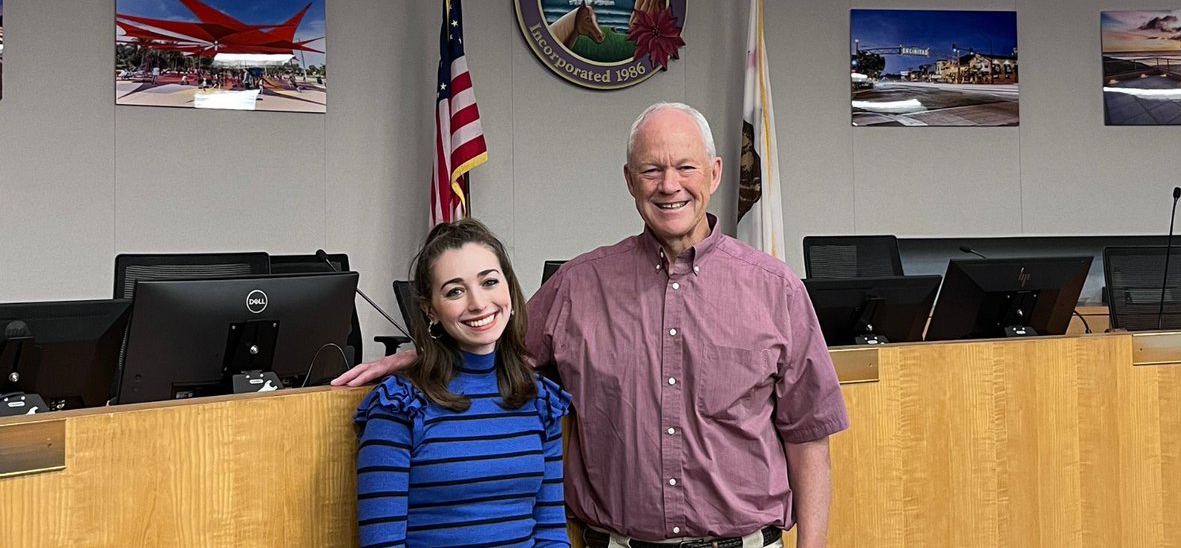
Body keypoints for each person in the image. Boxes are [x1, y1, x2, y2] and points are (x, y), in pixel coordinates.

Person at [338, 103, 848, 548]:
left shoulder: (776, 289)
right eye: (651, 170)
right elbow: (495, 345)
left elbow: (808, 439)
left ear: (714, 174)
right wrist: (423, 356)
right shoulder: (577, 286)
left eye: (685, 167)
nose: (669, 185)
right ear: (630, 181)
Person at [354, 219, 571, 548]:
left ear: (509, 289)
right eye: (455, 291)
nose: (478, 303)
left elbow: (551, 533)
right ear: (431, 310)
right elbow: (383, 543)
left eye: (489, 282)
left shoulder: (541, 400)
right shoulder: (400, 405)